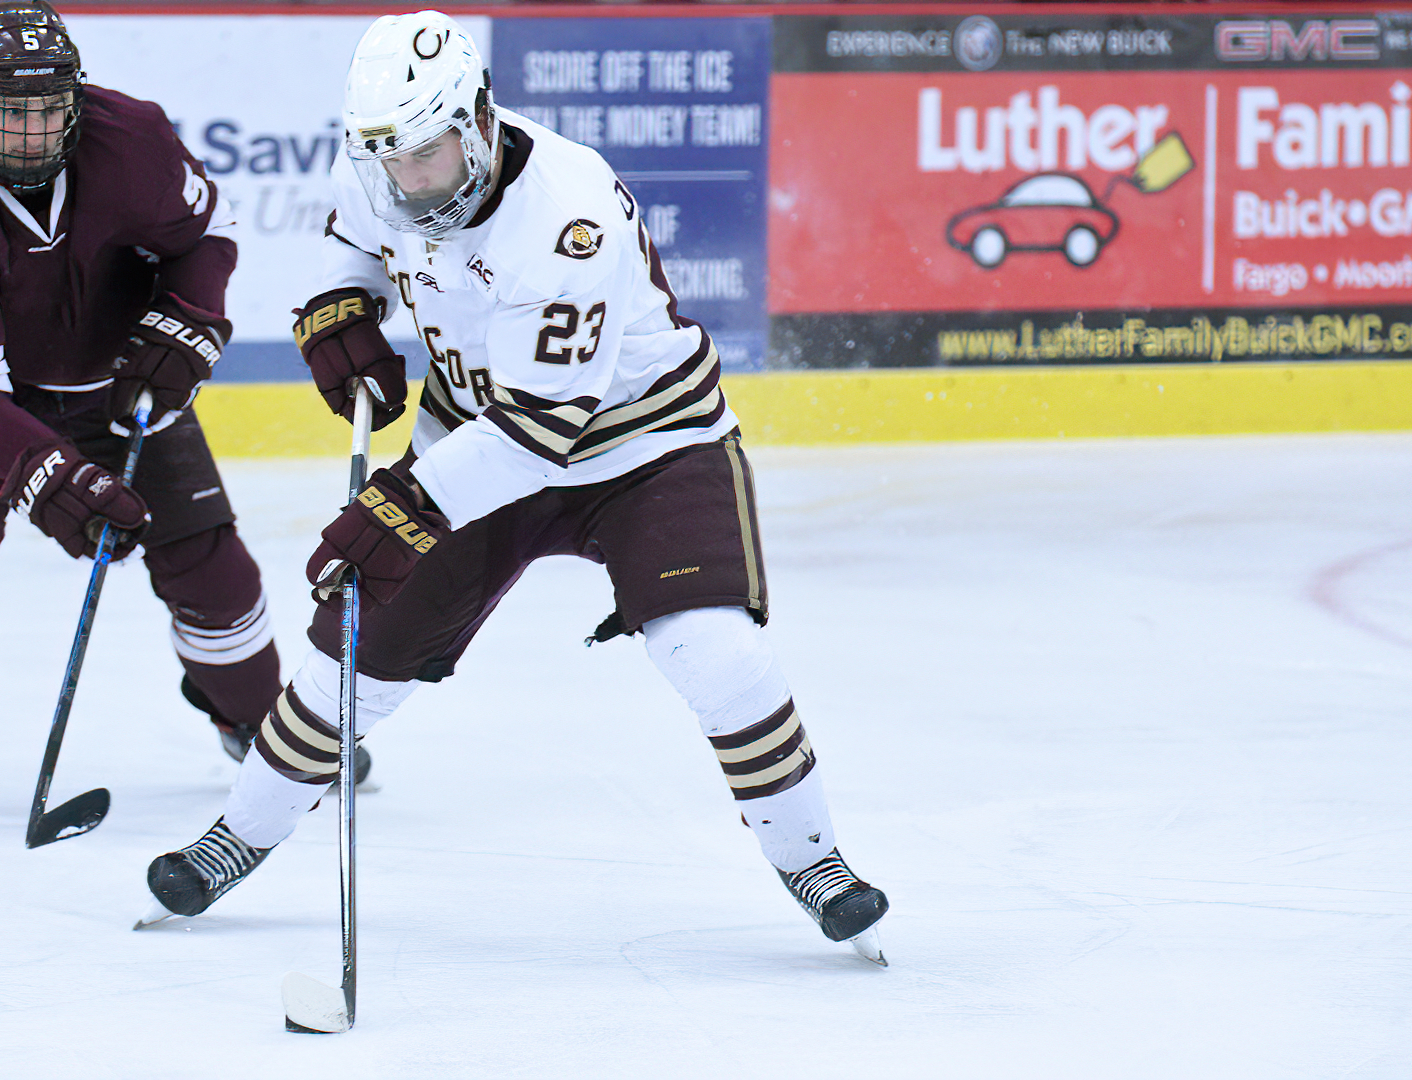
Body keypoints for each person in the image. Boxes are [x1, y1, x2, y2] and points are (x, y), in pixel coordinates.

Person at [145, 10, 886, 961]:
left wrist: (406, 502)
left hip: (644, 446)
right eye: (392, 162)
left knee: (714, 651)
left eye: (429, 156)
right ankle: (235, 838)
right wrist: (340, 309)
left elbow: (541, 433)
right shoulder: (381, 161)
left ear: (479, 120)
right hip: (474, 436)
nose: (411, 184)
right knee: (352, 659)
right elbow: (355, 240)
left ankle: (811, 859)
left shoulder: (567, 219)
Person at [0, 0, 341, 819]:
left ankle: (256, 723)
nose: (31, 135)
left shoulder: (134, 140)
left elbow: (206, 231)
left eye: (48, 112)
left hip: (119, 376)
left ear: (75, 102)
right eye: (9, 113)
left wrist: (190, 318)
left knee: (207, 561)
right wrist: (46, 472)